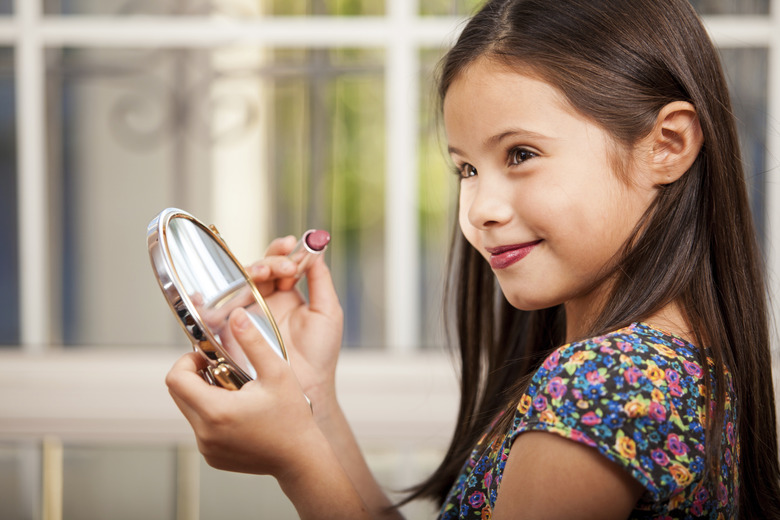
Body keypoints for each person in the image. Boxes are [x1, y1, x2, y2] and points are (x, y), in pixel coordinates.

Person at [165, 0, 780, 518]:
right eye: (467, 168)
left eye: (520, 155)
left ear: (666, 145)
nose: (479, 209)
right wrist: (312, 400)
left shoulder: (608, 382)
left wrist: (296, 458)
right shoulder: (662, 365)